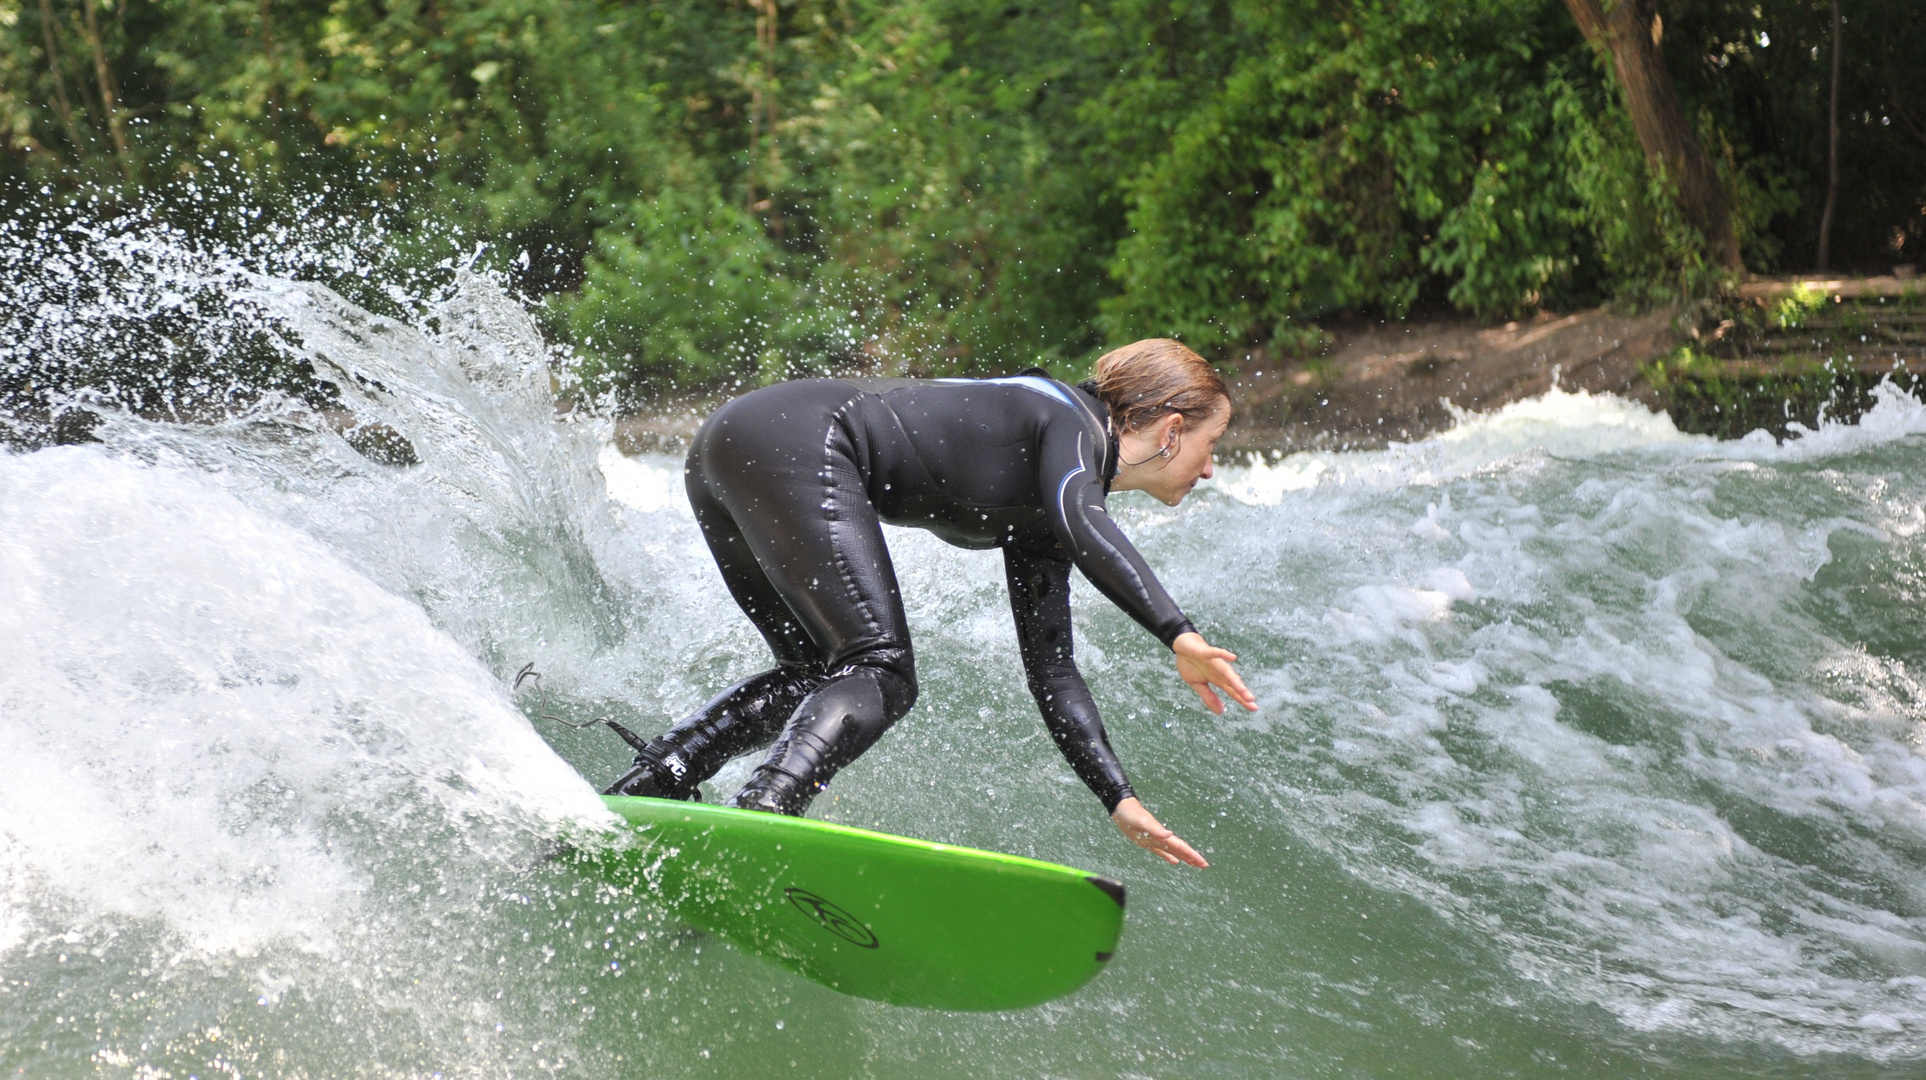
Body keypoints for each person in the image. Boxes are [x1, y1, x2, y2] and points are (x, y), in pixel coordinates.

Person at [607, 338, 1257, 867]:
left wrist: (1118, 797)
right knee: (880, 669)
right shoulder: (1064, 417)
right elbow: (1084, 519)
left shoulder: (1051, 500)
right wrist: (1179, 634)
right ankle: (760, 819)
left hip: (737, 442)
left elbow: (1053, 669)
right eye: (1212, 446)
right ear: (1172, 430)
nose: (1208, 470)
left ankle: (649, 785)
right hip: (794, 440)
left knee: (816, 674)